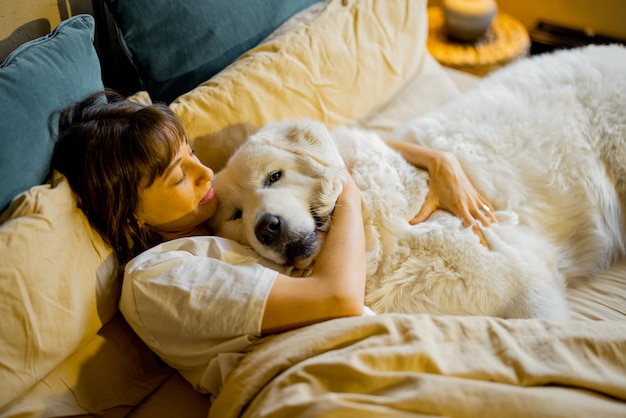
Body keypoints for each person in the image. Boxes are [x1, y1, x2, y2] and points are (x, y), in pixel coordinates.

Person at [51, 91, 496, 395]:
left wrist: (438, 160)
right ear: (131, 212)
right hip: (321, 387)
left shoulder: (218, 214)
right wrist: (349, 194)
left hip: (383, 354)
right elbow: (337, 297)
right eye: (178, 174)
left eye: (192, 154)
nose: (204, 173)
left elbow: (322, 146)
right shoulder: (157, 277)